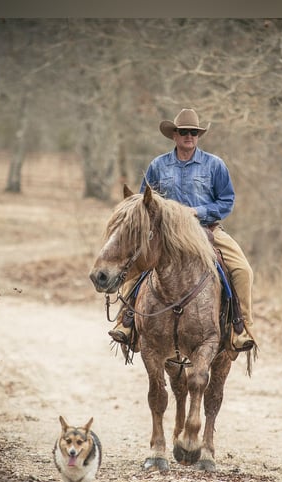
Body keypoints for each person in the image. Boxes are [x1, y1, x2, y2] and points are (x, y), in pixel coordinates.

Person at [108, 108, 257, 354]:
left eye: (194, 132)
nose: (189, 136)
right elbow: (145, 203)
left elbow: (226, 201)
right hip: (165, 235)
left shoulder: (214, 165)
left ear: (198, 136)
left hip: (206, 230)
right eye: (184, 132)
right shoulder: (158, 166)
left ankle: (240, 328)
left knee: (242, 270)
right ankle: (126, 322)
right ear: (174, 135)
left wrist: (198, 212)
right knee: (134, 267)